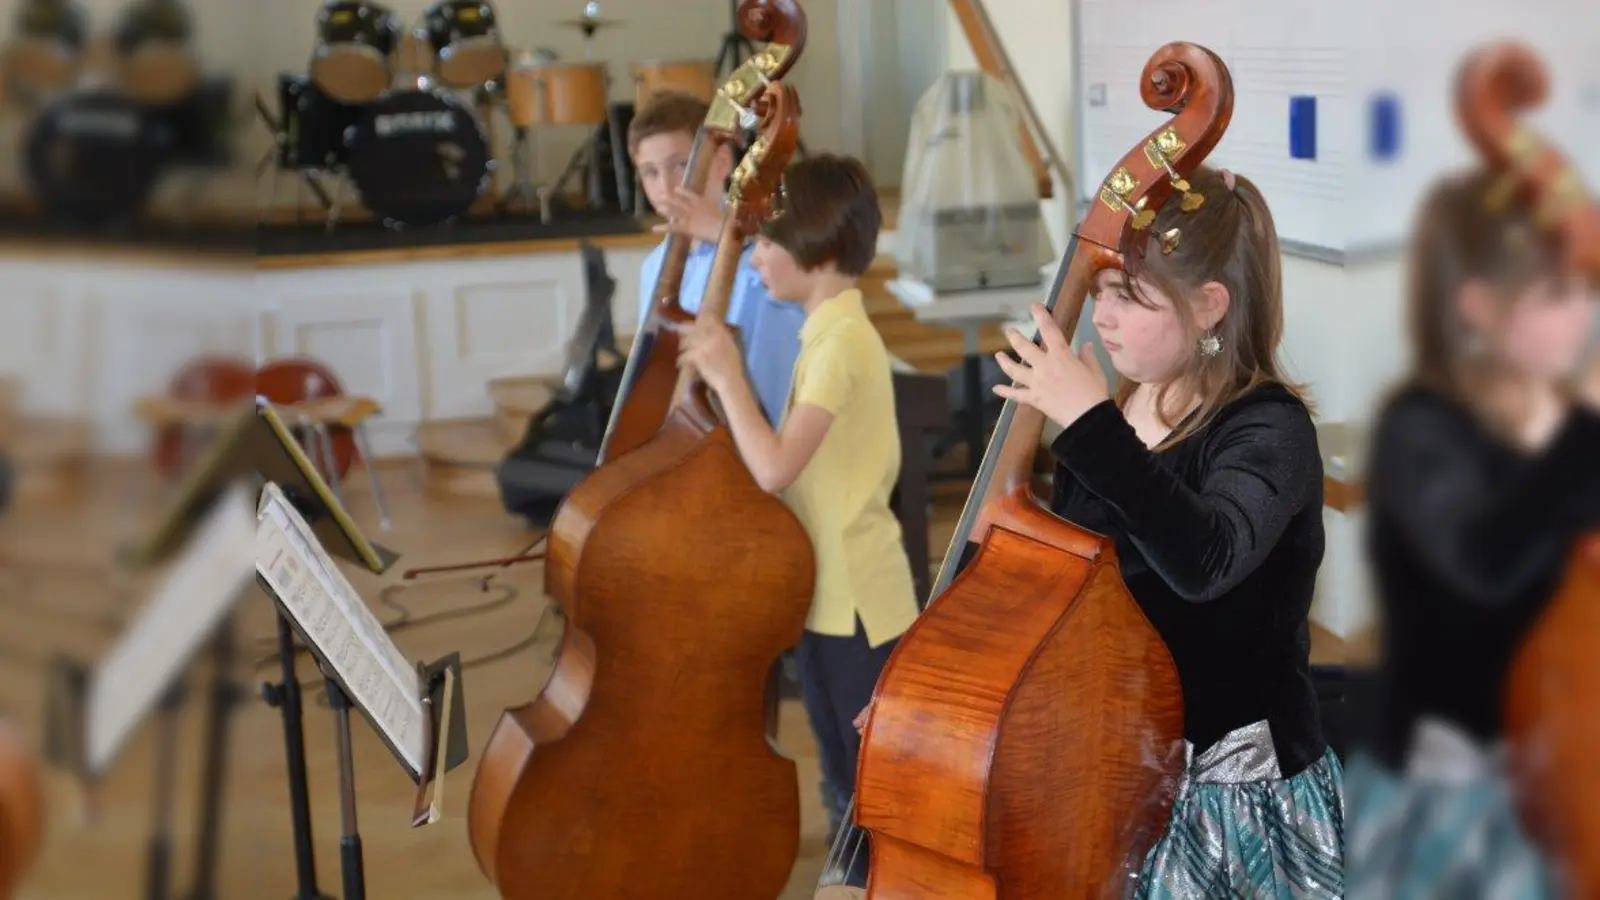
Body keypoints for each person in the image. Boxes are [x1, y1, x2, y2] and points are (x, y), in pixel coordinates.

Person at [974, 165, 1344, 896]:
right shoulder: (1123, 408)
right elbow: (1061, 586)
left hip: (1229, 803)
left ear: (1210, 305)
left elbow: (1205, 560)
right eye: (1101, 292)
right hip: (1111, 774)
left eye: (1130, 297)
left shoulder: (1268, 429)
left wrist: (1087, 424)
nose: (1101, 316)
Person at [1344, 169, 1600, 897]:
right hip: (1454, 795)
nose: (1583, 316)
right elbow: (1487, 572)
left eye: (1585, 290)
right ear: (1479, 308)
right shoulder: (1421, 428)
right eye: (1556, 297)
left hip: (1568, 768)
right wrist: (1584, 426)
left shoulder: (1569, 421)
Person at [679, 153, 920, 887]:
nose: (753, 256)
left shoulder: (841, 344)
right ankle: (855, 876)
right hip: (827, 595)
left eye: (765, 242)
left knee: (870, 786)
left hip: (858, 605)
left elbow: (776, 465)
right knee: (844, 771)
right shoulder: (827, 331)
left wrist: (726, 375)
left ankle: (873, 881)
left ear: (813, 248)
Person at [630, 89, 804, 425]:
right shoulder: (654, 267)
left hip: (779, 437)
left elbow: (818, 280)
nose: (665, 187)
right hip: (699, 436)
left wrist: (725, 233)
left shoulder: (765, 249)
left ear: (721, 162)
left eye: (680, 165)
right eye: (650, 172)